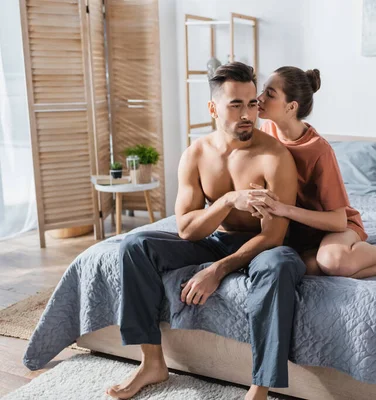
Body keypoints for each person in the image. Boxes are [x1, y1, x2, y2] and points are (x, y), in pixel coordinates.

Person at [107, 62, 305, 400]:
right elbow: (186, 230)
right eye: (235, 104)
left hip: (264, 247)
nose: (247, 114)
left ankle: (259, 387)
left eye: (252, 103)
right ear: (213, 108)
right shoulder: (196, 154)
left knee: (281, 265)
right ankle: (152, 362)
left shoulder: (275, 156)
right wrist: (228, 200)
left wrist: (217, 270)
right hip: (217, 238)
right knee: (135, 244)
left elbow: (273, 237)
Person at [250, 66, 376, 279]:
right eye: (263, 91)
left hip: (335, 229)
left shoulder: (319, 150)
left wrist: (284, 210)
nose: (259, 98)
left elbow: (338, 221)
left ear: (291, 106)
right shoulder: (266, 133)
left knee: (333, 262)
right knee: (307, 270)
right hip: (301, 232)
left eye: (269, 94)